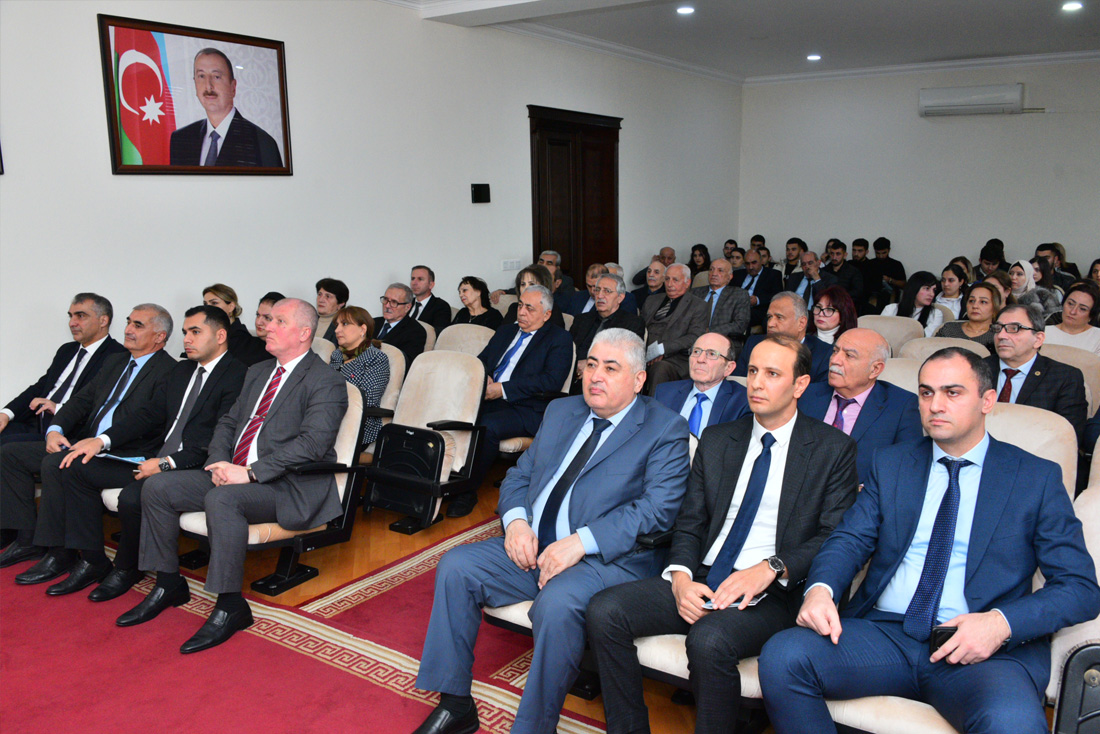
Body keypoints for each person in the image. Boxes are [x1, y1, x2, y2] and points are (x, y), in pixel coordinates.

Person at [758, 347, 1100, 734]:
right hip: (886, 633)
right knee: (783, 657)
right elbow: (849, 540)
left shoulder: (1035, 477)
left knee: (1012, 723)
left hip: (983, 650)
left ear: (987, 400)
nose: (935, 405)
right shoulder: (892, 463)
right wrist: (821, 590)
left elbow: (1079, 588)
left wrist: (1000, 624)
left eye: (952, 392)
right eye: (926, 393)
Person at [411, 329, 690, 734]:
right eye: (591, 364)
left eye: (611, 368)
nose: (596, 376)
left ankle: (534, 727)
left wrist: (580, 542)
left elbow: (657, 510)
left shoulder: (664, 428)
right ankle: (455, 705)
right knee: (457, 566)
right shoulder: (562, 411)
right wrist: (516, 523)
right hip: (535, 546)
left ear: (638, 379)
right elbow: (519, 476)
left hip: (606, 561)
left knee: (557, 605)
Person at [587, 335, 859, 734]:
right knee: (604, 610)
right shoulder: (718, 439)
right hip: (704, 575)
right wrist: (681, 578)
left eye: (772, 374)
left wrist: (771, 567)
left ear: (800, 384)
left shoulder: (832, 449)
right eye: (753, 371)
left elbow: (832, 535)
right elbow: (690, 521)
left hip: (773, 590)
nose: (757, 383)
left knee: (709, 639)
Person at [121, 299, 348, 653]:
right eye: (268, 319)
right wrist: (218, 462)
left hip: (287, 485)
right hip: (236, 472)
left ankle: (230, 606)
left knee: (223, 499)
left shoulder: (326, 380)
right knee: (158, 487)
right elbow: (228, 423)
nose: (267, 326)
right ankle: (168, 582)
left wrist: (251, 473)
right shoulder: (258, 371)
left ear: (304, 333)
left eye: (279, 321)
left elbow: (312, 444)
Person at [83, 306, 248, 601]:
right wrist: (102, 441)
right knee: (75, 466)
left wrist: (165, 464)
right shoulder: (182, 370)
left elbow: (218, 439)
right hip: (155, 456)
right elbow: (149, 415)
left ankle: (128, 569)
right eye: (185, 332)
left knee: (132, 498)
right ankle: (85, 558)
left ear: (221, 336)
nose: (186, 339)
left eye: (195, 332)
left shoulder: (238, 375)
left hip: (196, 464)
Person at [0, 305, 176, 571]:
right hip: (87, 443)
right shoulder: (116, 361)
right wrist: (55, 430)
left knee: (59, 464)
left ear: (160, 336)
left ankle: (62, 553)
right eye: (129, 322)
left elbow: (146, 419)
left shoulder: (170, 370)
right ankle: (27, 540)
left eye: (138, 325)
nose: (128, 329)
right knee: (10, 454)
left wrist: (101, 440)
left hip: (126, 453)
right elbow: (80, 401)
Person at [452, 286, 573, 518]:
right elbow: (481, 360)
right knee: (454, 413)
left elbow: (551, 381)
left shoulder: (559, 339)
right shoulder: (506, 331)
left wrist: (503, 389)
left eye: (530, 308)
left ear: (546, 314)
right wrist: (485, 375)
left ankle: (466, 491)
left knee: (486, 426)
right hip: (491, 399)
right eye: (520, 305)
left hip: (528, 408)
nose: (522, 312)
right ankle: (445, 478)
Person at [797, 328, 922, 485]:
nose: (835, 360)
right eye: (835, 351)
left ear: (875, 369)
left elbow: (908, 467)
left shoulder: (901, 406)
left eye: (849, 355)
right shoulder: (805, 394)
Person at [0, 293, 126, 445]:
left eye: (80, 316)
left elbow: (102, 404)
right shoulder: (67, 350)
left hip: (68, 430)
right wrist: (6, 413)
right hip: (36, 421)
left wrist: (58, 408)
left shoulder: (118, 356)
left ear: (103, 321)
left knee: (6, 446)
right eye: (71, 316)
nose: (72, 323)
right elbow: (41, 387)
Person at [985, 303, 1087, 442]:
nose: (1001, 335)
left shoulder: (1065, 377)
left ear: (1038, 339)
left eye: (1014, 328)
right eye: (998, 328)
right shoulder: (978, 369)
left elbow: (1068, 437)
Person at [169, 48, 282, 167]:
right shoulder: (181, 139)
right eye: (201, 76)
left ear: (233, 87)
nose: (208, 86)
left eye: (216, 76)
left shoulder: (262, 143)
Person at [654, 332, 749, 436]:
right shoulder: (664, 393)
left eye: (712, 354)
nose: (700, 359)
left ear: (728, 368)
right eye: (696, 351)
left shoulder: (742, 402)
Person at [641, 263, 710, 394]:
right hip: (644, 353)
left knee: (660, 368)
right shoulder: (652, 300)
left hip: (675, 357)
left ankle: (654, 406)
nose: (669, 284)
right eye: (667, 279)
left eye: (675, 280)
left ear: (687, 282)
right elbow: (639, 327)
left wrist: (662, 349)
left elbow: (694, 337)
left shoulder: (698, 305)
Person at [733, 293, 831, 383]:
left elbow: (819, 393)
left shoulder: (824, 354)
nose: (770, 324)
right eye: (769, 317)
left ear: (801, 323)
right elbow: (737, 383)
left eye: (779, 317)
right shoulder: (753, 343)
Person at [330, 306, 390, 448]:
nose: (337, 330)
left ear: (362, 329)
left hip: (357, 424)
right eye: (337, 325)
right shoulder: (337, 355)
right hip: (329, 417)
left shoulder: (375, 357)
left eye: (344, 324)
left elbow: (368, 399)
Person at [569, 274, 645, 384]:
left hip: (609, 381)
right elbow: (568, 349)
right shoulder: (581, 320)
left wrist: (591, 365)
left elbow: (626, 358)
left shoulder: (632, 323)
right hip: (575, 379)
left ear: (620, 297)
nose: (600, 295)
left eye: (607, 291)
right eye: (597, 290)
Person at [201, 283, 269, 366]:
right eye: (205, 304)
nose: (207, 308)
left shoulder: (243, 340)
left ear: (231, 307)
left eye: (214, 303)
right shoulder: (203, 335)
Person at [691, 258, 750, 346]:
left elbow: (739, 325)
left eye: (720, 270)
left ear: (730, 276)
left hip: (723, 342)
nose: (714, 274)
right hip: (692, 340)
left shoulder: (739, 294)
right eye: (711, 269)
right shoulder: (695, 292)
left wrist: (709, 331)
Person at [376, 283, 427, 372]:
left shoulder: (416, 332)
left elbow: (404, 364)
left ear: (407, 307)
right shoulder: (372, 322)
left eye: (394, 302)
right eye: (386, 300)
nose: (387, 305)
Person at [935, 282, 1001, 351]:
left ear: (995, 307)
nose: (975, 306)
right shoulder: (949, 329)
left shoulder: (998, 335)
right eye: (971, 301)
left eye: (983, 302)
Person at [1042, 281, 1100, 356]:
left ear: (1092, 315)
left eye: (1082, 309)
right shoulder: (1043, 333)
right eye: (1070, 304)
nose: (1073, 311)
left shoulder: (1097, 337)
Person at [501, 265, 567, 330]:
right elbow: (502, 333)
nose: (526, 288)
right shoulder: (514, 308)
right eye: (523, 284)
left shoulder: (553, 311)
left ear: (543, 286)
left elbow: (557, 335)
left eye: (532, 284)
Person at [881, 271, 944, 338]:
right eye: (927, 289)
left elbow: (925, 338)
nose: (932, 294)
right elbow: (880, 333)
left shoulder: (935, 314)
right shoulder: (891, 309)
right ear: (914, 288)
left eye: (934, 290)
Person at [733, 249, 784, 328]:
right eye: (747, 264)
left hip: (757, 310)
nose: (751, 267)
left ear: (761, 261)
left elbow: (777, 296)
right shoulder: (737, 274)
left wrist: (757, 300)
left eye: (754, 262)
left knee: (742, 314)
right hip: (735, 307)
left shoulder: (773, 274)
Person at [410, 265, 453, 335]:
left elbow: (439, 334)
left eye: (420, 279)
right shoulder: (405, 303)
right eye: (412, 278)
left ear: (431, 285)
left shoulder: (441, 306)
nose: (414, 283)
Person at [822, 240, 864, 305]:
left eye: (838, 254)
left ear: (845, 255)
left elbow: (857, 292)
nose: (834, 257)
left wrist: (841, 298)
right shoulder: (824, 271)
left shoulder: (853, 271)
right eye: (832, 254)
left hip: (846, 304)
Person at [315, 277, 349, 346]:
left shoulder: (344, 326)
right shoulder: (308, 320)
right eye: (319, 294)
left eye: (328, 296)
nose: (321, 300)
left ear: (340, 304)